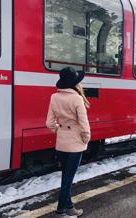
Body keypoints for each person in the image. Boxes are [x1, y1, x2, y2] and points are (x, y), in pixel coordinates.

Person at [46, 67, 91, 218]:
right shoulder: (77, 99)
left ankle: (70, 208)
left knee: (66, 176)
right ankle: (60, 212)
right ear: (75, 83)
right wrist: (85, 138)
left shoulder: (54, 97)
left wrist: (59, 128)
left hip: (61, 143)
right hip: (75, 144)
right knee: (67, 180)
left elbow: (49, 123)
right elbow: (84, 125)